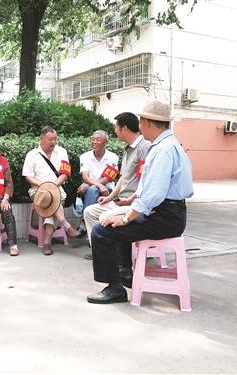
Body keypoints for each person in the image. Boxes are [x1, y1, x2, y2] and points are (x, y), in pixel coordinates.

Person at [87, 100, 193, 304]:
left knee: (101, 232)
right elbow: (149, 188)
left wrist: (127, 217)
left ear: (148, 123)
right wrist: (130, 204)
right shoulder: (169, 145)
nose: (140, 125)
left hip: (164, 217)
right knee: (117, 223)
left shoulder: (162, 150)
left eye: (141, 121)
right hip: (169, 213)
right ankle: (125, 272)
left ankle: (115, 288)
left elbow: (153, 194)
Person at [82, 113, 150, 261]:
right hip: (122, 201)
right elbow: (123, 178)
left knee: (104, 217)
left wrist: (130, 199)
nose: (115, 131)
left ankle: (114, 256)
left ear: (124, 128)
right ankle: (101, 252)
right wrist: (109, 197)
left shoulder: (144, 147)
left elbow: (147, 180)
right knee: (89, 211)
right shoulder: (128, 149)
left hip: (135, 204)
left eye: (116, 128)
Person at [22, 126, 79, 255]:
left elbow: (65, 173)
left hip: (58, 188)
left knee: (51, 200)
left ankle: (47, 243)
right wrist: (45, 186)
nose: (53, 142)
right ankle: (66, 226)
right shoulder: (32, 155)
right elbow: (28, 177)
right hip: (38, 190)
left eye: (55, 139)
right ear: (41, 139)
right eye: (50, 139)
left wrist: (53, 186)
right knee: (48, 197)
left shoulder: (62, 152)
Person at [76, 130, 119, 238]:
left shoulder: (113, 157)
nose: (94, 142)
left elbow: (108, 177)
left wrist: (92, 185)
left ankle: (84, 224)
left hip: (107, 189)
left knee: (92, 190)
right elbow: (85, 176)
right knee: (92, 190)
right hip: (91, 187)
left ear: (106, 142)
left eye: (98, 140)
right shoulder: (85, 156)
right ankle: (91, 229)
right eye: (93, 139)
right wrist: (98, 185)